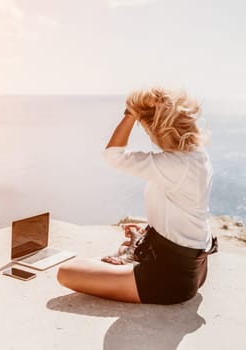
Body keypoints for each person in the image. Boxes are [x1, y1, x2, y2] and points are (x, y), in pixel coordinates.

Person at [56, 87, 218, 305]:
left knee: (67, 272)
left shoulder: (172, 165)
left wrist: (131, 113)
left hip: (169, 280)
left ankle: (128, 261)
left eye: (146, 130)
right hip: (195, 269)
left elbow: (113, 155)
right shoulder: (197, 156)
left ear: (158, 129)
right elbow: (179, 213)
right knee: (125, 245)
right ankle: (132, 253)